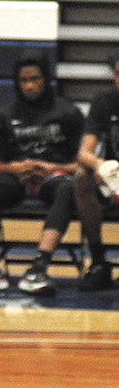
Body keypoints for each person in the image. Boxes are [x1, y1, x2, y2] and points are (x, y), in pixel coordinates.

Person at [0, 50, 84, 296]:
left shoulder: (69, 113)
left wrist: (50, 168)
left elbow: (80, 164)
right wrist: (15, 168)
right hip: (16, 178)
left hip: (53, 176)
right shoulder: (6, 115)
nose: (29, 86)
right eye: (24, 81)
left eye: (35, 79)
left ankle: (39, 267)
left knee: (67, 187)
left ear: (46, 79)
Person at [73, 50, 119, 291]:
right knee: (82, 176)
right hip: (115, 178)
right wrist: (102, 166)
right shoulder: (105, 99)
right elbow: (83, 153)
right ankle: (99, 261)